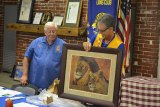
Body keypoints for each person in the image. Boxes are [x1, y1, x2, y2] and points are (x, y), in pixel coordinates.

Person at [20, 22, 65, 89]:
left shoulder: (63, 45)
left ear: (56, 32)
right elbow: (26, 57)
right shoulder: (36, 42)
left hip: (52, 86)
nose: (52, 34)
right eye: (49, 31)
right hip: (33, 82)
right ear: (45, 32)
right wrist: (24, 75)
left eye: (54, 31)